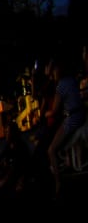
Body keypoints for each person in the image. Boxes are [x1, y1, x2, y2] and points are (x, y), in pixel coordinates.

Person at [45, 48, 86, 194]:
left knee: (51, 150)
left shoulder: (61, 86)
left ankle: (58, 182)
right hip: (80, 114)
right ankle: (68, 163)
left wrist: (46, 113)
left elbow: (55, 111)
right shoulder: (72, 80)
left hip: (72, 118)